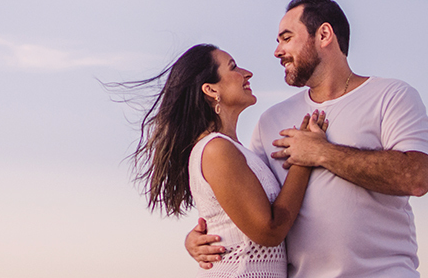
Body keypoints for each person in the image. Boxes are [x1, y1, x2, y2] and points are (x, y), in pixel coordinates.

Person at [187, 0, 428, 278]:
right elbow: (249, 201)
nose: (277, 51)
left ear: (324, 34)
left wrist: (322, 153)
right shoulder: (270, 121)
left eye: (286, 38)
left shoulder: (391, 96)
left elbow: (416, 177)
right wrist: (198, 237)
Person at [114, 43, 326, 277]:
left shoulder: (234, 149)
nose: (247, 73)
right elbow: (269, 231)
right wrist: (303, 161)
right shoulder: (216, 150)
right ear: (211, 90)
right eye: (233, 67)